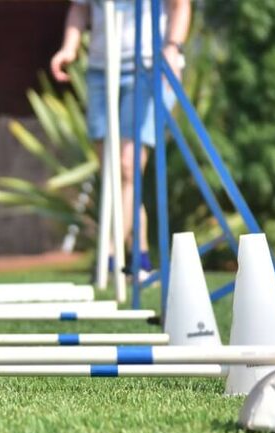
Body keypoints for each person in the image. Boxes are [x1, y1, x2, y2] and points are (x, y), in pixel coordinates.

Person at [50, 0, 191, 277]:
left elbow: (180, 5)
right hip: (101, 72)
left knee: (128, 166)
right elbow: (79, 8)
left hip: (149, 69)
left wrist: (173, 47)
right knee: (114, 174)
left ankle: (111, 256)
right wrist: (69, 48)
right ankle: (139, 256)